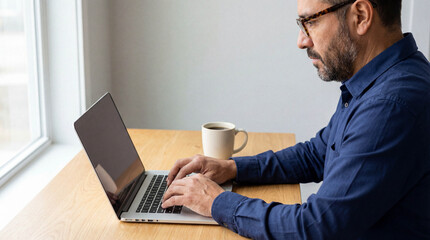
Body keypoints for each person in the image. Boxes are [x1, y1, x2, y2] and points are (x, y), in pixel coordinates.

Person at [162, 0, 430, 239]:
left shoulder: (391, 106)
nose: (302, 41)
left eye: (310, 22)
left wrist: (216, 202)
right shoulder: (379, 82)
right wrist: (232, 168)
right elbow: (316, 155)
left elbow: (315, 227)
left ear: (360, 16)